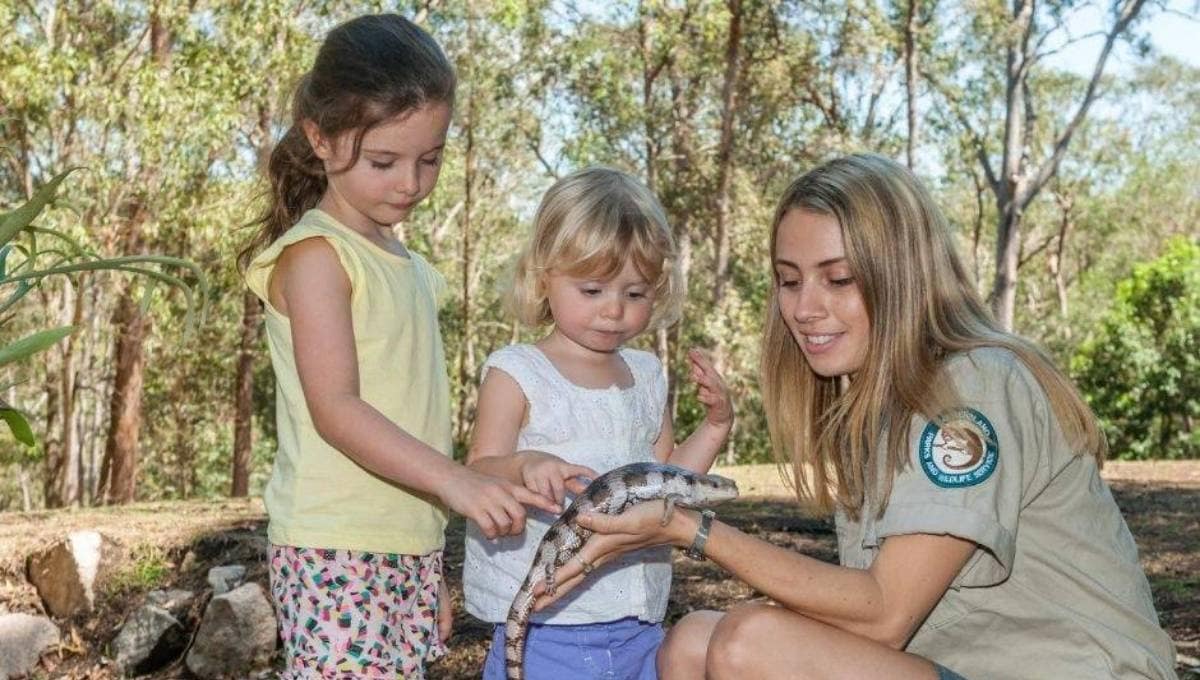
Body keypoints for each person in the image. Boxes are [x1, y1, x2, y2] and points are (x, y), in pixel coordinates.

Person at [532, 154, 1178, 680]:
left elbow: (883, 614)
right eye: (789, 280)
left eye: (838, 279)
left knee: (751, 642)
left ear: (900, 276)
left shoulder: (971, 387)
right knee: (694, 639)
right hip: (955, 665)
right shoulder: (869, 403)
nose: (805, 308)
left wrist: (689, 528)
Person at [240, 14, 557, 679]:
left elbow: (411, 424)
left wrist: (433, 554)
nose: (411, 182)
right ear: (319, 138)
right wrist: (458, 482)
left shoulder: (409, 268)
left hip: (401, 545)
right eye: (384, 161)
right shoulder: (318, 257)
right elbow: (338, 408)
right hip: (333, 545)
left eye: (431, 158)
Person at [462, 166, 734, 680]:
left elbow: (669, 481)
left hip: (639, 622)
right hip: (546, 625)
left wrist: (715, 426)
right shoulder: (518, 371)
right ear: (544, 278)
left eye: (634, 294)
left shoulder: (647, 375)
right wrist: (524, 463)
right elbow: (479, 469)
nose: (614, 311)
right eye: (592, 291)